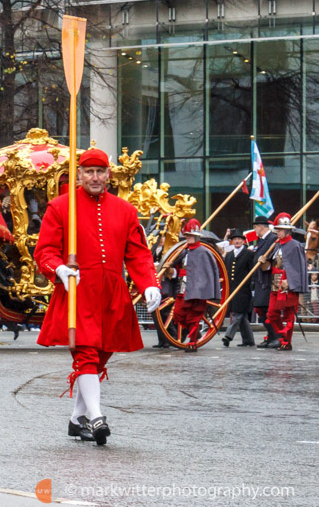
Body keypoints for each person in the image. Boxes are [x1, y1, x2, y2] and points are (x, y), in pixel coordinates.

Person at [33, 148, 161, 445]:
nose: (94, 177)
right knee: (86, 354)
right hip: (78, 292)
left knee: (99, 359)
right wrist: (60, 269)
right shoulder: (60, 206)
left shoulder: (126, 210)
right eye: (88, 171)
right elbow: (45, 251)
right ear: (79, 174)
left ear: (108, 175)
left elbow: (138, 254)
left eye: (99, 171)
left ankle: (77, 420)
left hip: (112, 294)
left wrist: (149, 283)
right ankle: (96, 415)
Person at [168, 219, 221, 352]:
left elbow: (206, 274)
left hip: (197, 290)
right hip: (183, 288)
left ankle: (192, 341)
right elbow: (179, 271)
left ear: (197, 236)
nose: (188, 238)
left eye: (190, 235)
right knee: (178, 315)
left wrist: (201, 288)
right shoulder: (183, 251)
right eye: (186, 235)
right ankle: (195, 334)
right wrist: (170, 270)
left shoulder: (204, 252)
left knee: (194, 316)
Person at [259, 212, 307, 351]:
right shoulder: (276, 245)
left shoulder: (295, 245)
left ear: (286, 230)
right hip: (275, 284)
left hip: (288, 285)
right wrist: (263, 263)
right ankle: (282, 336)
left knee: (289, 315)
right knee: (271, 314)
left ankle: (286, 342)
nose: (277, 232)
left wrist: (292, 282)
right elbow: (271, 266)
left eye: (279, 229)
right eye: (277, 229)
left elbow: (298, 268)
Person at [222, 229, 255, 347]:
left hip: (243, 290)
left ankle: (228, 336)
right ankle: (249, 340)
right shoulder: (229, 255)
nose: (237, 241)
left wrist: (251, 285)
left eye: (239, 239)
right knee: (243, 317)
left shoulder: (249, 254)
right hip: (232, 289)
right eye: (235, 239)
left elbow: (252, 271)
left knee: (238, 314)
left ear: (243, 241)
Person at [251, 216, 280, 348]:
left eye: (255, 227)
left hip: (267, 280)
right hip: (259, 279)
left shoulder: (273, 239)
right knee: (260, 308)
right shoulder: (262, 240)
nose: (255, 230)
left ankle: (276, 336)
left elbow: (275, 258)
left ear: (261, 227)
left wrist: (266, 262)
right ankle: (271, 335)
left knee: (266, 308)